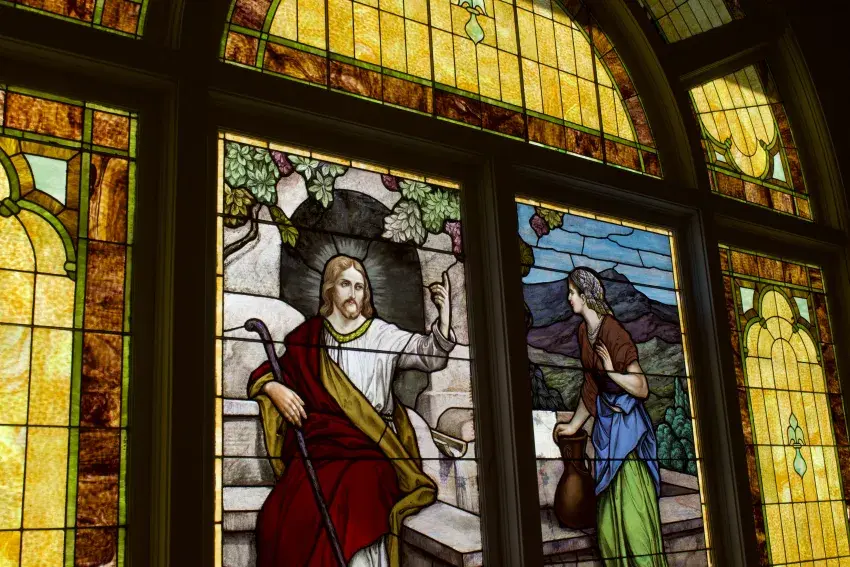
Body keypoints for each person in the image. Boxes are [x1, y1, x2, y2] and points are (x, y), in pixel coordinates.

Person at [247, 254, 456, 567]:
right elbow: (274, 372)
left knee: (357, 491)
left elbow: (431, 356)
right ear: (330, 289)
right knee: (283, 511)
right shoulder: (309, 338)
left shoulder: (382, 335)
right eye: (345, 284)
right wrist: (273, 388)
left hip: (375, 449)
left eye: (360, 287)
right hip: (323, 450)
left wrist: (445, 318)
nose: (353, 293)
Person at [552, 268, 667, 566]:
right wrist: (573, 426)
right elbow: (591, 386)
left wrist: (612, 373)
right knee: (607, 528)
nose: (569, 298)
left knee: (633, 519)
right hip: (606, 428)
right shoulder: (584, 333)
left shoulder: (613, 331)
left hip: (627, 435)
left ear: (586, 295)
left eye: (572, 293)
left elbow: (641, 387)